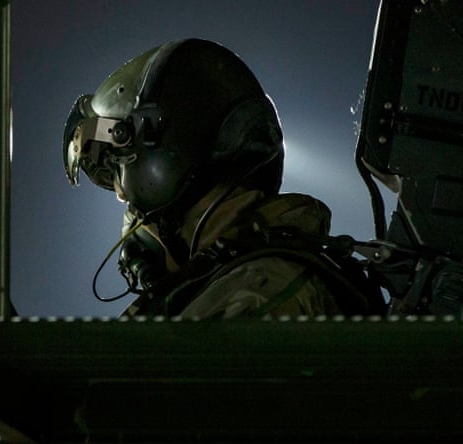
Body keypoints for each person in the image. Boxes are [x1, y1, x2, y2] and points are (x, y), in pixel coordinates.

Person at [63, 38, 382, 318]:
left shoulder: (259, 290)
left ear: (162, 157)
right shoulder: (244, 277)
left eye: (118, 176)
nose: (123, 199)